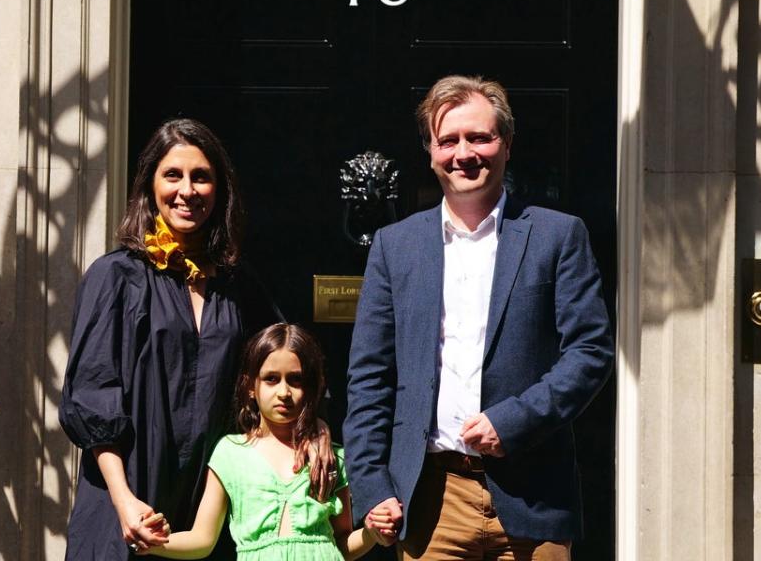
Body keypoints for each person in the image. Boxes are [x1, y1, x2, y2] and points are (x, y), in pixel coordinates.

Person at [344, 75, 615, 560]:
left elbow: (590, 354)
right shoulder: (395, 246)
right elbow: (370, 377)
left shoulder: (558, 236)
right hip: (431, 502)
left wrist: (511, 422)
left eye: (480, 137)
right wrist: (372, 486)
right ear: (430, 151)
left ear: (507, 145)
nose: (463, 153)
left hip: (535, 501)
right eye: (448, 140)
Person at [59, 118, 320, 559]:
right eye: (173, 175)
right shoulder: (115, 278)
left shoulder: (239, 286)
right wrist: (124, 502)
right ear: (149, 186)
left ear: (220, 191)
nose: (187, 190)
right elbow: (92, 396)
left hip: (211, 501)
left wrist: (312, 433)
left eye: (201, 177)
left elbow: (282, 369)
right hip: (127, 495)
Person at [142, 323, 393, 561]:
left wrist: (371, 533)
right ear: (251, 385)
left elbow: (342, 544)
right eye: (271, 379)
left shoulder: (330, 457)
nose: (284, 392)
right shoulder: (231, 453)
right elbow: (203, 539)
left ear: (312, 386)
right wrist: (154, 542)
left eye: (296, 380)